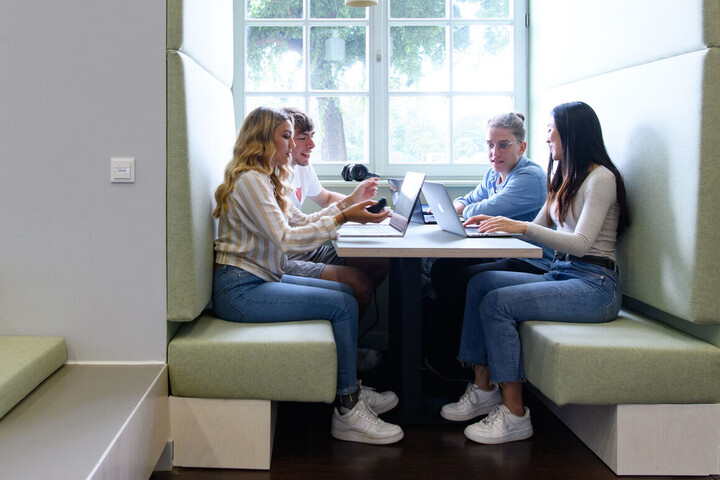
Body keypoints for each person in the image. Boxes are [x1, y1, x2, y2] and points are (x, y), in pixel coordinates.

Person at [440, 101, 630, 445]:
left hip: (596, 287)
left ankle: (514, 414)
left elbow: (582, 243)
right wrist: (497, 226)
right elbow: (537, 226)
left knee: (498, 303)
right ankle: (483, 388)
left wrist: (519, 227)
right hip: (563, 273)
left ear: (571, 134)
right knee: (481, 282)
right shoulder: (563, 177)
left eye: (550, 130)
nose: (547, 138)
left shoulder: (601, 179)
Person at [211, 106, 403, 445]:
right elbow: (287, 239)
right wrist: (345, 218)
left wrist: (348, 205)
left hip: (259, 279)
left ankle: (351, 391)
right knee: (343, 305)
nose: (292, 144)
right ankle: (346, 410)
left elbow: (299, 222)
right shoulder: (251, 181)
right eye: (285, 136)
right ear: (262, 140)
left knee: (345, 296)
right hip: (239, 290)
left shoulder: (266, 177)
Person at [426, 113, 552, 377]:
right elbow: (467, 199)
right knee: (442, 269)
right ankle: (444, 354)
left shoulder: (530, 178)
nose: (495, 152)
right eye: (490, 145)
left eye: (503, 145)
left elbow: (484, 208)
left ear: (522, 147)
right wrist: (459, 207)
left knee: (467, 278)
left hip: (533, 261)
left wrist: (460, 209)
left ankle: (464, 363)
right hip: (500, 252)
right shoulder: (494, 174)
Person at [281, 107, 388, 316]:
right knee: (359, 284)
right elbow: (293, 235)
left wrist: (359, 202)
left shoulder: (303, 167)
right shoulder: (271, 177)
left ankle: (345, 326)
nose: (311, 145)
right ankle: (340, 330)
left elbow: (326, 198)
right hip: (287, 256)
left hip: (308, 248)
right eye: (303, 138)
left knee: (379, 261)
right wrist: (347, 212)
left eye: (312, 137)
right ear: (286, 140)